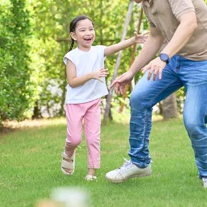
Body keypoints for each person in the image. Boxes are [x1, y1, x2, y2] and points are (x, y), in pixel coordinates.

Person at [105, 0, 207, 189]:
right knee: (139, 98)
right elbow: (156, 37)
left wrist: (163, 57)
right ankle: (139, 163)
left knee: (192, 121)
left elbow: (189, 23)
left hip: (204, 59)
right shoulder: (146, 2)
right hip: (176, 58)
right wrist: (131, 71)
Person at [61, 15, 148, 181]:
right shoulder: (72, 56)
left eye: (90, 29)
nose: (88, 33)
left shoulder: (98, 51)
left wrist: (133, 40)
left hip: (93, 102)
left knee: (93, 138)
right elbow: (72, 82)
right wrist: (91, 75)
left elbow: (116, 47)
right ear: (74, 35)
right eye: (83, 30)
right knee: (74, 139)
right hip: (75, 103)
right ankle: (68, 152)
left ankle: (91, 173)